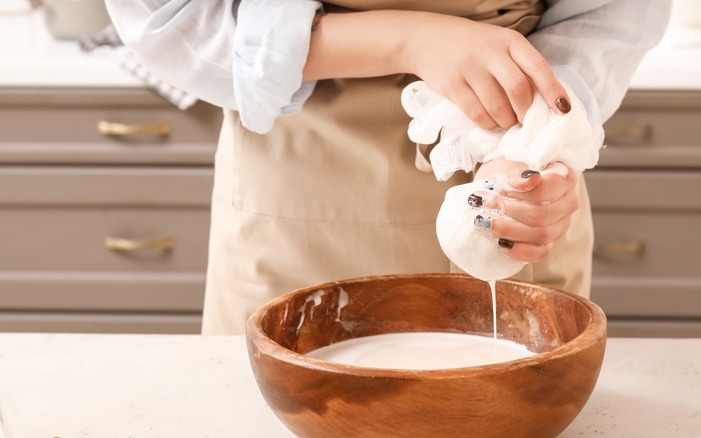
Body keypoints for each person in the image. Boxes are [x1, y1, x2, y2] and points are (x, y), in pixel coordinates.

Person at [106, 0, 671, 335]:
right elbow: (172, 20)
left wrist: (528, 147)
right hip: (291, 207)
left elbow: (611, 14)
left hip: (513, 169)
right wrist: (409, 38)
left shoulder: (523, 158)